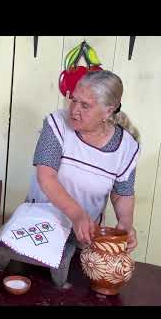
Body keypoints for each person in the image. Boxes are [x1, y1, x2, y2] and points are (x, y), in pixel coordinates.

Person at [27, 70, 140, 252]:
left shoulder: (127, 147)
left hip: (85, 236)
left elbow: (122, 193)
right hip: (37, 227)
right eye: (74, 100)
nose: (74, 110)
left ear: (108, 111)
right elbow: (46, 177)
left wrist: (126, 224)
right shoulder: (56, 124)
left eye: (85, 105)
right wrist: (77, 214)